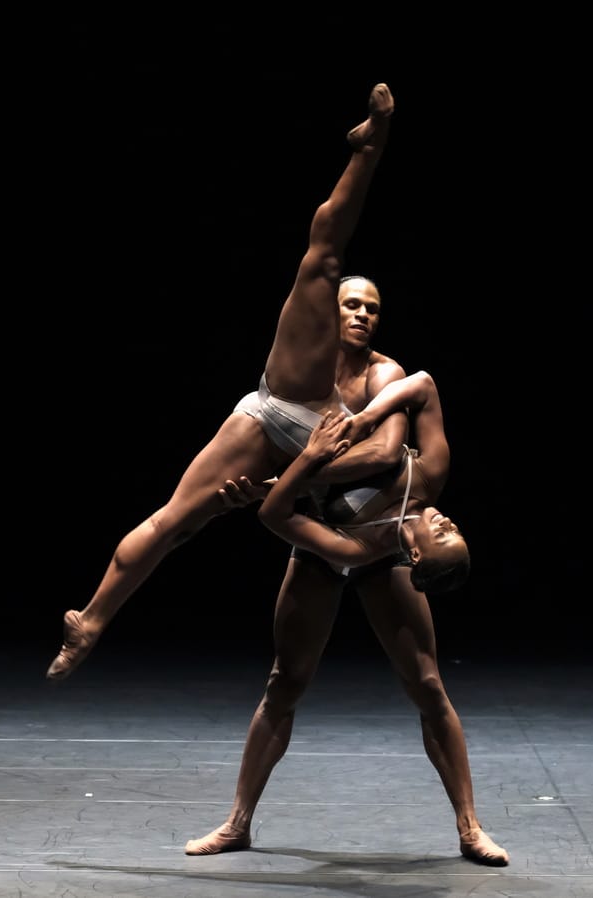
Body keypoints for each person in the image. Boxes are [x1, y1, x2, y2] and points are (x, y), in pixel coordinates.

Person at [45, 82, 399, 681]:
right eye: (353, 305)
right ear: (331, 311)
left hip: (317, 488)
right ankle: (93, 620)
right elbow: (327, 247)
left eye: (373, 309)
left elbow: (384, 455)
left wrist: (282, 483)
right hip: (281, 417)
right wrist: (291, 475)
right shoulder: (308, 345)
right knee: (175, 521)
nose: (363, 314)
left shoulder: (384, 373)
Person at [186, 298, 508, 865]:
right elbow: (424, 384)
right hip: (318, 554)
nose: (447, 520)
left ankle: (470, 827)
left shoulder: (373, 545)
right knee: (285, 681)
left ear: (418, 552)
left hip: (367, 559)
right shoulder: (428, 472)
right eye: (351, 305)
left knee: (428, 685)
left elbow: (277, 512)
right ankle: (237, 823)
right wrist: (346, 431)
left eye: (445, 534)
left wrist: (299, 470)